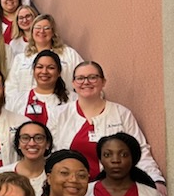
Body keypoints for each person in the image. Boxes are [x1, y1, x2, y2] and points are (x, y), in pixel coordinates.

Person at [54, 60, 166, 188]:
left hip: (113, 189)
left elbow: (140, 151)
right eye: (80, 78)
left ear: (103, 82)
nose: (86, 82)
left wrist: (156, 180)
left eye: (93, 77)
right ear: (73, 83)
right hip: (71, 188)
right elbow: (50, 154)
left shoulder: (121, 113)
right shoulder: (59, 115)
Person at [6, 13, 83, 95]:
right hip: (29, 102)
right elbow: (10, 87)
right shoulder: (20, 59)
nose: (41, 31)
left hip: (62, 101)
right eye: (38, 28)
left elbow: (83, 77)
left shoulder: (69, 54)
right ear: (32, 32)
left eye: (46, 28)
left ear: (53, 32)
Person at [6, 49, 70, 136]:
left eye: (51, 68)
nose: (44, 72)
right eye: (40, 67)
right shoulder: (16, 100)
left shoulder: (72, 100)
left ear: (59, 72)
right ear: (33, 70)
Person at [0, 120, 53, 196]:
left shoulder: (55, 176)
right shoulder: (0, 174)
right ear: (18, 144)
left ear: (47, 144)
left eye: (38, 138)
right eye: (25, 138)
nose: (32, 143)